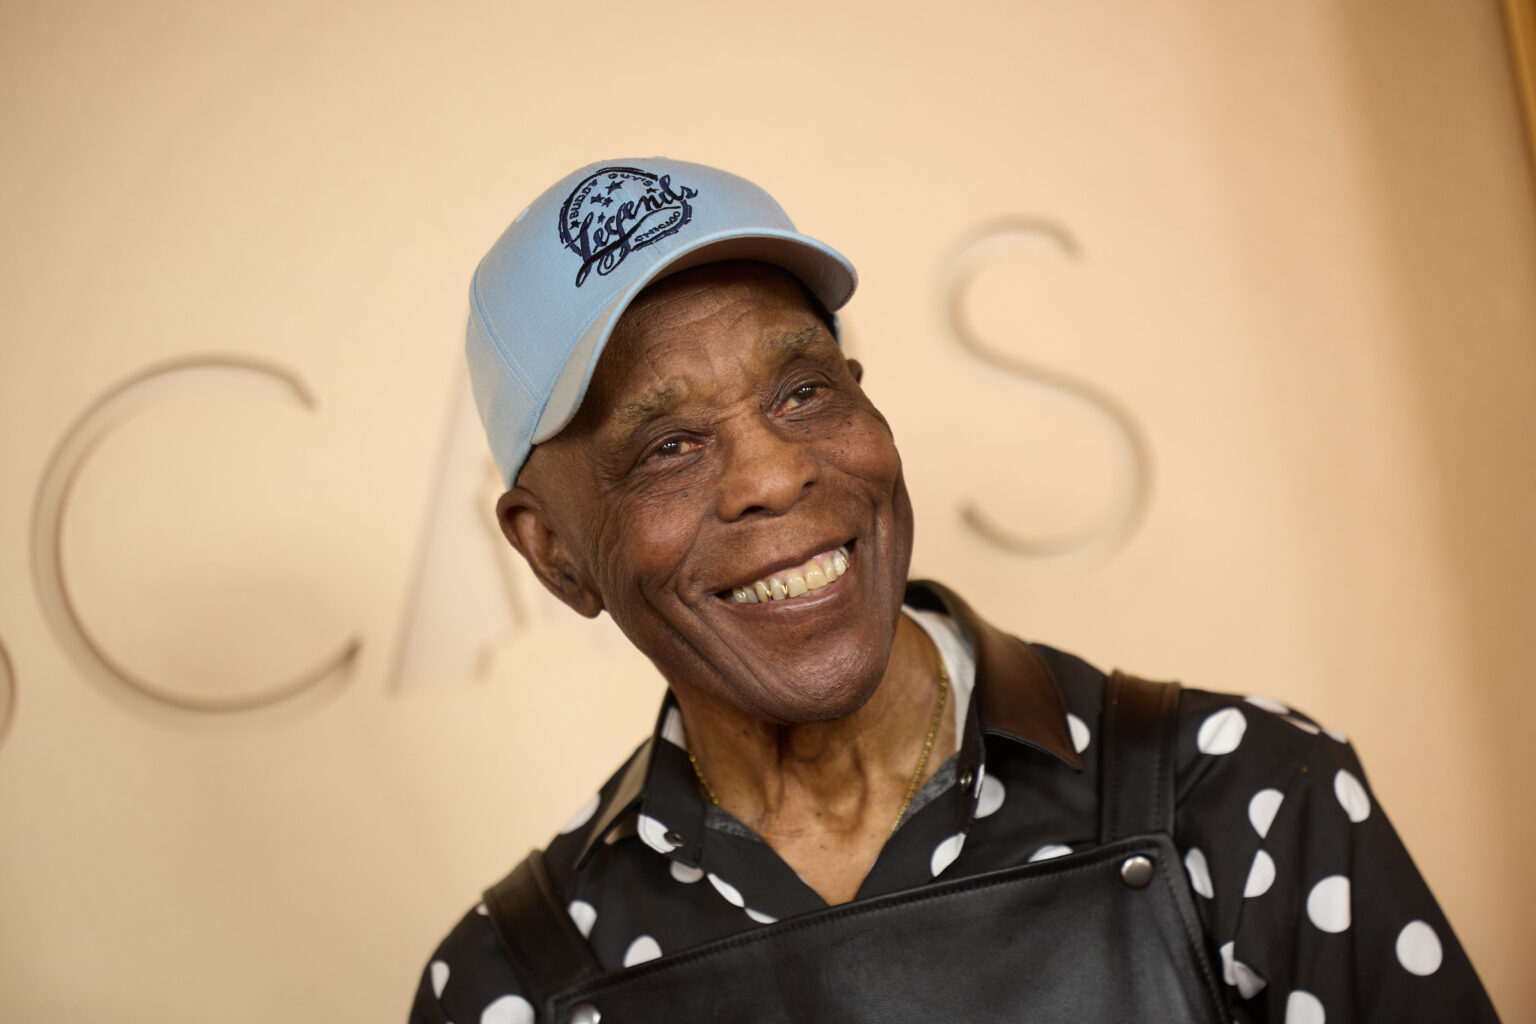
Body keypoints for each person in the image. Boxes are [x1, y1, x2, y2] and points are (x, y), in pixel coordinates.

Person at [410, 158, 1498, 1023]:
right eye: (668, 446)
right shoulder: (513, 985)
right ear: (554, 552)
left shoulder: (1247, 804)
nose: (775, 474)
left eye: (802, 391)